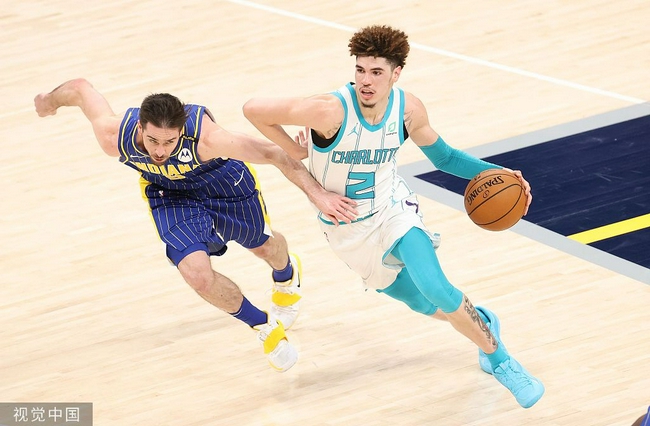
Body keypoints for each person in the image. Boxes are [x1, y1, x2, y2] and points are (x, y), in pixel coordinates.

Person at [243, 24, 545, 407]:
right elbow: (253, 109)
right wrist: (297, 152)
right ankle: (480, 321)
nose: (365, 81)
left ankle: (503, 362)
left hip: (392, 209)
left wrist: (502, 174)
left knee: (436, 286)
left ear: (396, 73)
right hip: (347, 230)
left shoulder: (408, 110)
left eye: (376, 72)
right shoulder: (329, 110)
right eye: (360, 70)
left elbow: (445, 158)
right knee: (422, 303)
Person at [34, 78, 358, 373]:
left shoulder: (209, 140)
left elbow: (274, 153)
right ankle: (263, 326)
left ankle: (286, 276)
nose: (160, 151)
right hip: (170, 194)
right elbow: (80, 89)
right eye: (152, 140)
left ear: (181, 132)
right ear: (140, 126)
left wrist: (318, 195)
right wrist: (49, 100)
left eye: (169, 142)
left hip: (223, 183)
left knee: (264, 247)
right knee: (198, 276)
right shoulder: (113, 136)